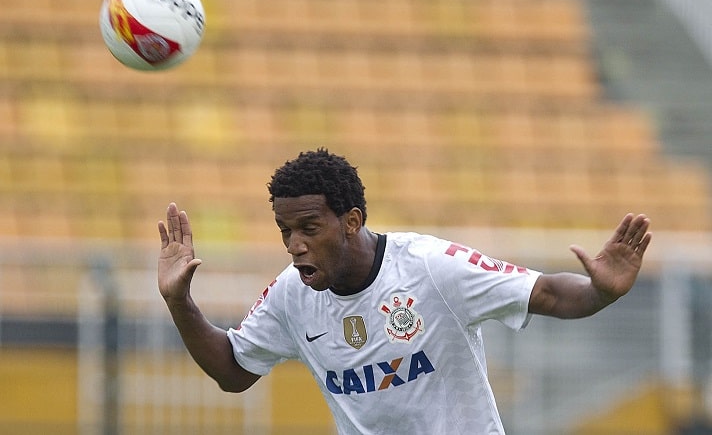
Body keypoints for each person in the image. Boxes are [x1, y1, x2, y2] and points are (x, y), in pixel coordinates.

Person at [157, 148, 652, 434]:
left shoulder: (431, 268)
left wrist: (599, 292)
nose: (295, 245)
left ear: (351, 222)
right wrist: (179, 301)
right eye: (285, 231)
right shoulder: (293, 295)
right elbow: (233, 370)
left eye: (309, 227)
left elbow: (544, 293)